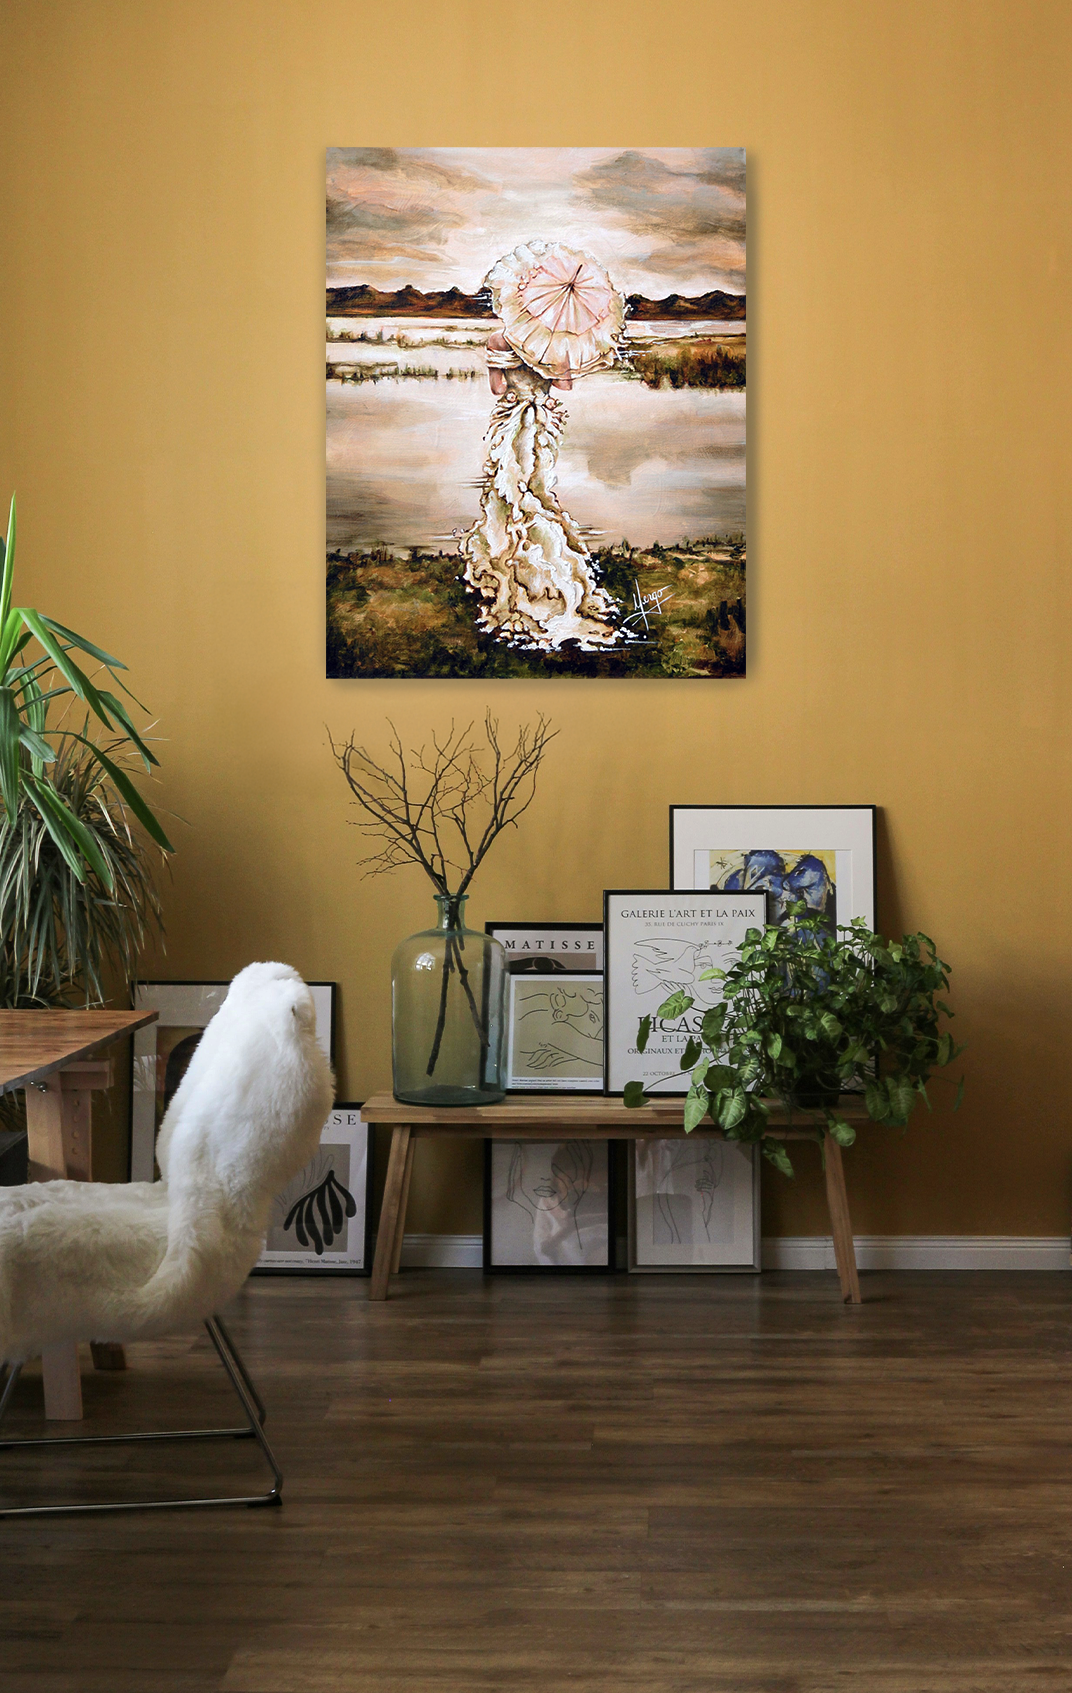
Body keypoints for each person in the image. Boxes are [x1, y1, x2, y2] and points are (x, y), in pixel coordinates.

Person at [460, 241, 625, 652]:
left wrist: (506, 361)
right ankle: (535, 574)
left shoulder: (499, 340)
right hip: (539, 423)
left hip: (514, 420)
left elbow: (499, 391)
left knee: (510, 491)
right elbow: (563, 387)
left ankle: (516, 569)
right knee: (534, 488)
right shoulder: (553, 346)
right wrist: (554, 358)